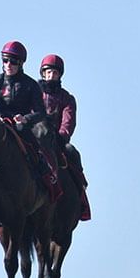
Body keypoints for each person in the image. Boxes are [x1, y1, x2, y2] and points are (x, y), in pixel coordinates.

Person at [0, 41, 61, 201]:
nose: (8, 65)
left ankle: (47, 179)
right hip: (2, 125)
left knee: (37, 150)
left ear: (20, 63)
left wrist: (25, 119)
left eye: (13, 62)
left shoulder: (31, 85)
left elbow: (40, 112)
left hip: (23, 128)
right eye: (5, 60)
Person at [38, 54, 88, 190]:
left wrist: (61, 137)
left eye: (55, 73)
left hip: (56, 139)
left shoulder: (67, 98)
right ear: (43, 74)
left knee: (72, 152)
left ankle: (80, 189)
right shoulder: (34, 93)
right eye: (49, 72)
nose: (51, 75)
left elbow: (68, 122)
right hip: (35, 136)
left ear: (59, 75)